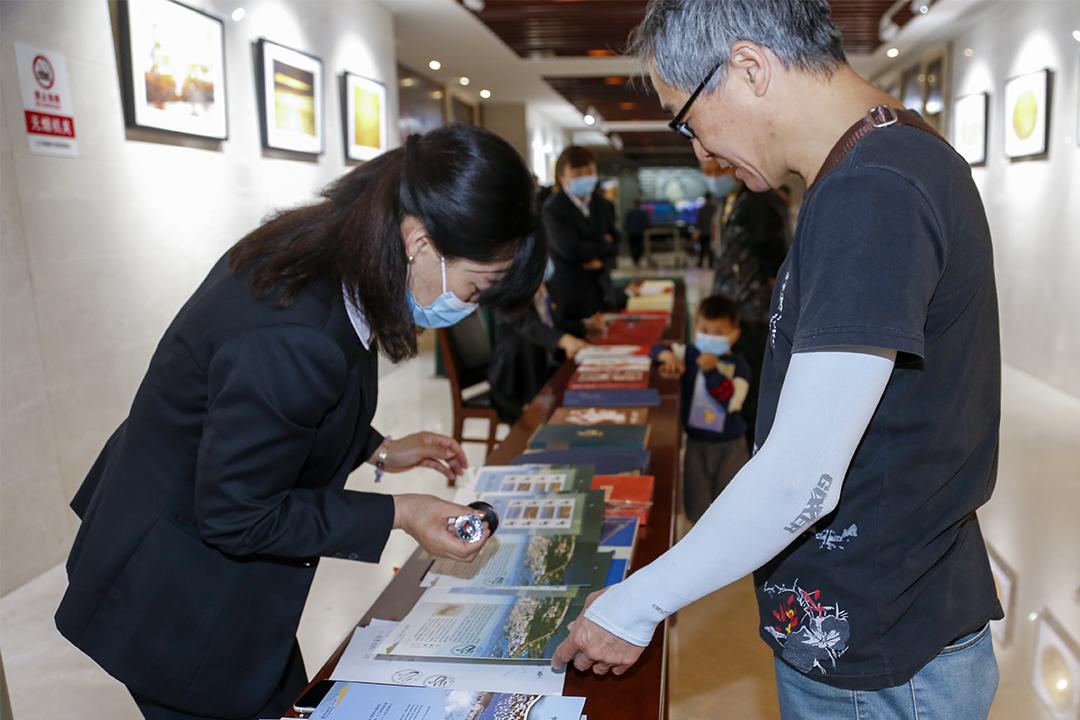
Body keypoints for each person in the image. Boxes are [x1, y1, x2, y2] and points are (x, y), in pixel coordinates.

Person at [554, 3, 1002, 719]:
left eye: (685, 117)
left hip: (879, 646)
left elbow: (802, 478)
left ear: (750, 68)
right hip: (878, 614)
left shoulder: (871, 189)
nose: (699, 150)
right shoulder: (883, 160)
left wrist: (633, 606)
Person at [55, 125, 545, 720]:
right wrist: (402, 512)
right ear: (420, 240)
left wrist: (379, 450)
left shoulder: (329, 253)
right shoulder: (295, 333)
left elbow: (269, 416)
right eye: (474, 287)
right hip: (173, 592)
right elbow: (239, 512)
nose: (467, 306)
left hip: (202, 563)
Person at [653, 294, 751, 522]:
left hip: (730, 446)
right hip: (696, 443)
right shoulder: (690, 354)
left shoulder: (740, 367)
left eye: (718, 333)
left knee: (729, 503)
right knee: (696, 505)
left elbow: (732, 401)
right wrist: (668, 356)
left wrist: (711, 372)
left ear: (734, 335)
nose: (709, 337)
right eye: (704, 329)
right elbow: (657, 349)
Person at [712, 170, 790, 452]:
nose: (712, 177)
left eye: (716, 169)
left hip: (754, 313)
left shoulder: (759, 202)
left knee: (753, 384)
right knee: (740, 380)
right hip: (737, 310)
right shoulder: (736, 201)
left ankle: (754, 449)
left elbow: (772, 257)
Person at [489, 262, 590, 422]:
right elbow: (529, 325)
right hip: (515, 387)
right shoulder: (509, 296)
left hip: (545, 376)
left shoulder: (546, 290)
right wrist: (563, 340)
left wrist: (585, 325)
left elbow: (554, 325)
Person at [543, 146, 619, 336]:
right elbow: (568, 249)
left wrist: (600, 260)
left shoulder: (602, 204)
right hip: (569, 293)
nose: (585, 177)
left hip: (601, 288)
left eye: (590, 172)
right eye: (577, 173)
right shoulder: (553, 208)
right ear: (562, 177)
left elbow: (616, 240)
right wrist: (603, 243)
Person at [692, 191, 718, 268]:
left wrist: (697, 231)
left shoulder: (701, 209)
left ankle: (700, 263)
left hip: (703, 232)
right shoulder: (714, 208)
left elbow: (698, 222)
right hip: (711, 232)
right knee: (711, 249)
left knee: (702, 249)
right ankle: (711, 264)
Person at [623, 198, 651, 267]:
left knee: (634, 247)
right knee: (638, 247)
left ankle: (635, 260)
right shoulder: (642, 213)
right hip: (639, 233)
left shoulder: (630, 213)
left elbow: (626, 223)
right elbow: (647, 223)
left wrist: (627, 230)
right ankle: (636, 260)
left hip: (633, 233)